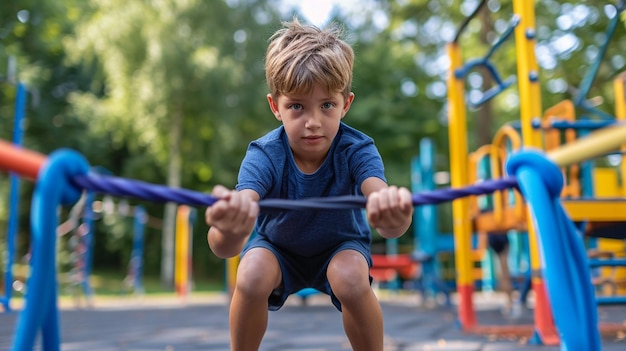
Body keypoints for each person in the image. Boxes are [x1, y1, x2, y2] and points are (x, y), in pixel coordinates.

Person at [205, 18, 414, 351]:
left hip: (340, 247)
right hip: (278, 249)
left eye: (327, 105)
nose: (313, 122)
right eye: (297, 106)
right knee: (251, 273)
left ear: (346, 104)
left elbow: (386, 213)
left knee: (350, 277)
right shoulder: (264, 154)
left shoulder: (357, 149)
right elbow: (225, 246)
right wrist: (230, 227)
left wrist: (394, 214)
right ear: (276, 106)